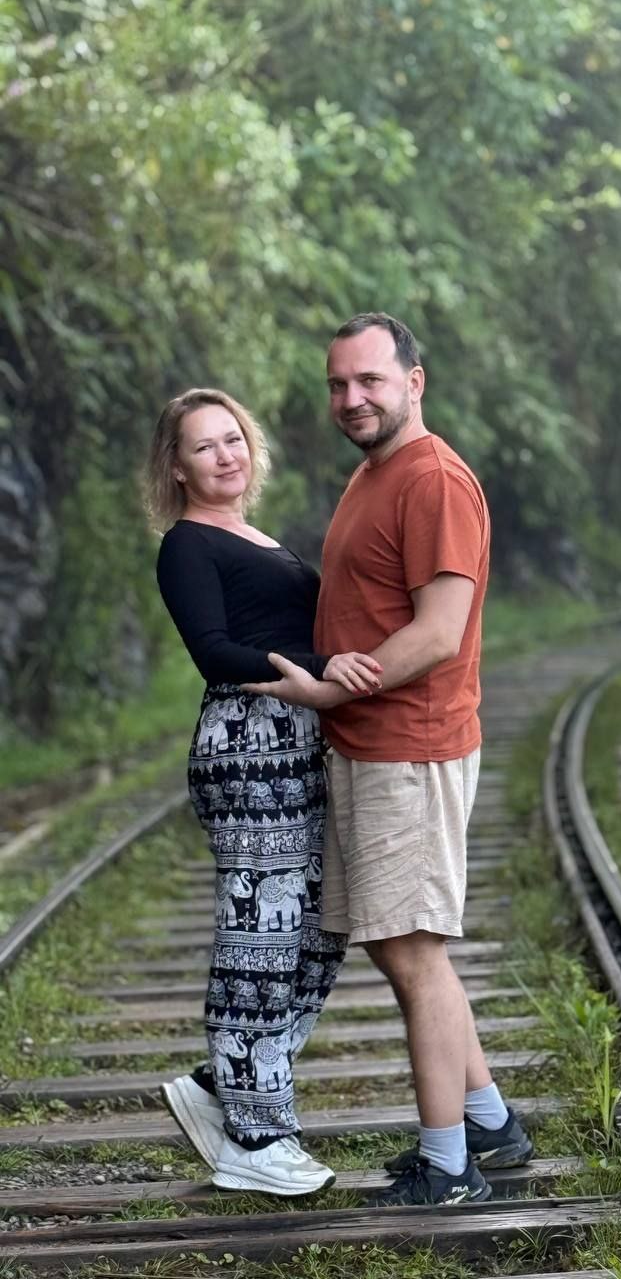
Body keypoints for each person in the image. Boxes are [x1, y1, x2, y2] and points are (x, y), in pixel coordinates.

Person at [243, 313, 534, 1206]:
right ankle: (488, 1122)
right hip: (371, 743)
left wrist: (332, 692)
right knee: (400, 946)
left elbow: (440, 632)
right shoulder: (375, 472)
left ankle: (449, 1167)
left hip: (409, 745)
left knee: (415, 955)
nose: (352, 398)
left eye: (369, 380)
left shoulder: (434, 480)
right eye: (338, 384)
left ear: (414, 380)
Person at [144, 387, 382, 1196]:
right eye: (204, 445)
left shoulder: (259, 539)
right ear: (177, 467)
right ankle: (255, 1137)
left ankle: (225, 1083)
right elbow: (215, 653)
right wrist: (321, 670)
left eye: (234, 438)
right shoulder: (187, 545)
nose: (225, 454)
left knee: (319, 931)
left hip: (300, 741)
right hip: (249, 747)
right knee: (262, 936)